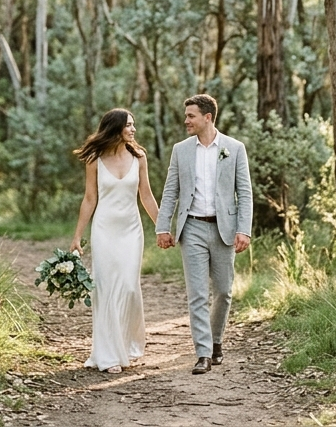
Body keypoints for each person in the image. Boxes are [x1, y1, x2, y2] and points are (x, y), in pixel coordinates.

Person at [155, 93, 253, 375]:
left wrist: (243, 229)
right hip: (193, 227)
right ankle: (203, 353)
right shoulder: (180, 150)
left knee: (223, 291)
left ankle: (216, 340)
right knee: (197, 294)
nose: (186, 120)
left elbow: (244, 193)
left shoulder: (234, 148)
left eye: (191, 116)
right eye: (186, 116)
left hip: (224, 228)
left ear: (207, 117)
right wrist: (163, 226)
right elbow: (170, 190)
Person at [70, 108, 160, 374]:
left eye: (134, 124)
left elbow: (146, 196)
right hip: (104, 230)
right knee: (106, 288)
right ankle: (109, 354)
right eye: (129, 125)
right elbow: (89, 198)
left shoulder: (139, 157)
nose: (133, 129)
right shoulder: (95, 158)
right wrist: (77, 235)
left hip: (131, 231)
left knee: (130, 288)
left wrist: (163, 228)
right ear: (115, 128)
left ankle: (126, 343)